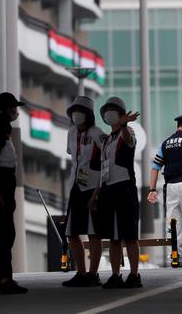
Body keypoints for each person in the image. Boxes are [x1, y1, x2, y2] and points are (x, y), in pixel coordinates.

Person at [89, 97, 142, 289]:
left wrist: (125, 125)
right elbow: (103, 171)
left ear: (122, 114)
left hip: (125, 187)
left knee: (129, 235)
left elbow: (129, 142)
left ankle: (135, 275)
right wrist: (95, 195)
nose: (109, 113)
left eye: (114, 110)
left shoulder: (127, 132)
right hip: (108, 190)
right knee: (113, 237)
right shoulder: (106, 141)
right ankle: (115, 275)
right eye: (107, 110)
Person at [0, 92, 28, 294]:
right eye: (12, 108)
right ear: (3, 110)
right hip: (0, 182)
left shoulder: (1, 127)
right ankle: (2, 279)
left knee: (1, 232)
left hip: (3, 182)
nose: (16, 111)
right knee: (4, 232)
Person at [62, 96, 106, 288]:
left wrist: (101, 189)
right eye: (73, 111)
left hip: (93, 186)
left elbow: (107, 157)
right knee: (71, 232)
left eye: (79, 111)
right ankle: (80, 272)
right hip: (75, 186)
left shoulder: (98, 133)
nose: (75, 115)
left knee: (93, 233)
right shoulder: (71, 132)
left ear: (88, 114)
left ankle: (93, 273)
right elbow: (72, 154)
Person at [147, 113, 182, 266]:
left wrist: (152, 189)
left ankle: (176, 256)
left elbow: (155, 167)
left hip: (170, 187)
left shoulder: (165, 143)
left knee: (174, 223)